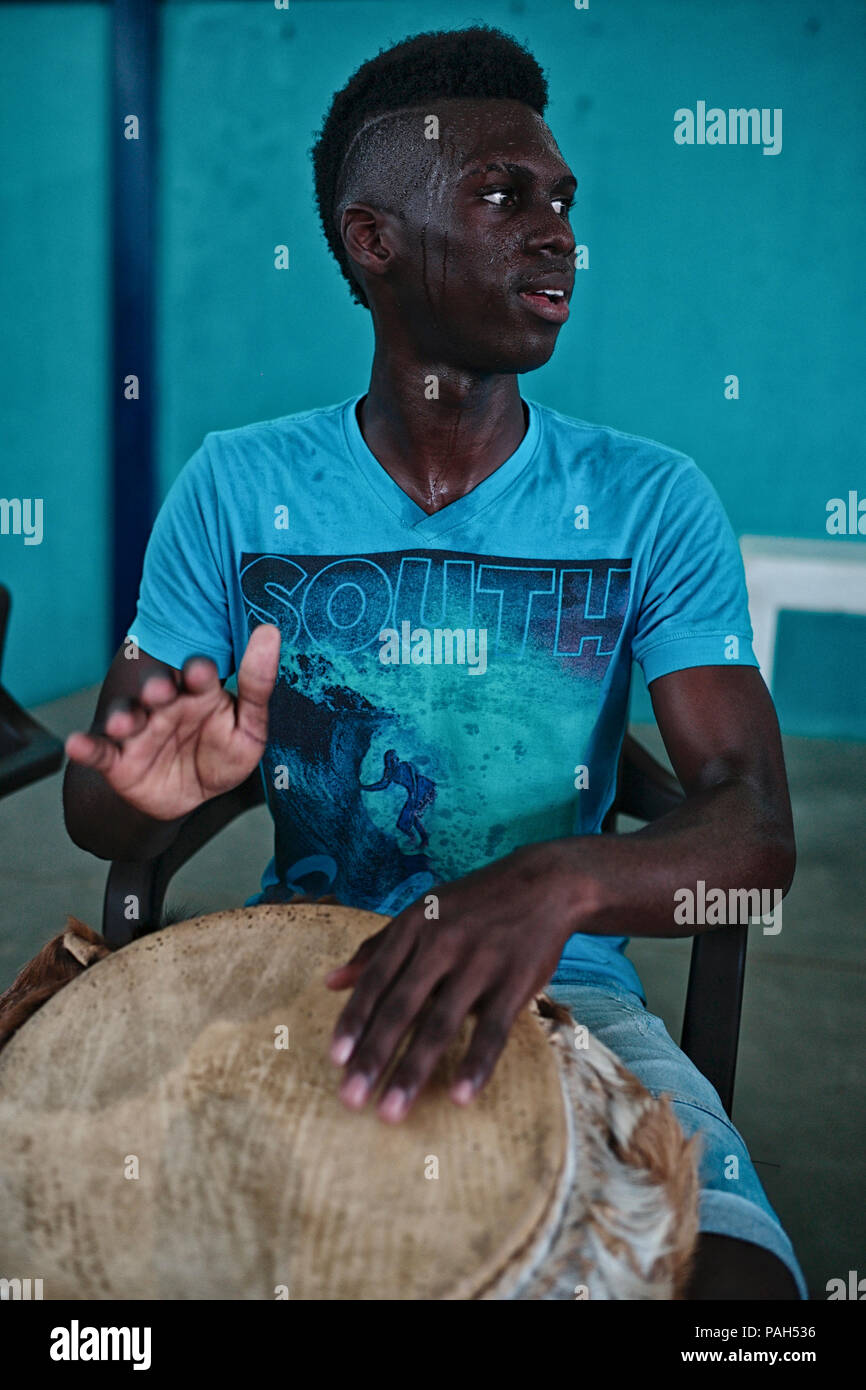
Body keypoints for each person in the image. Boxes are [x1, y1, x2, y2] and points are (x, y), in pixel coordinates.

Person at [63, 25, 806, 1299]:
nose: (556, 229)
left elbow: (750, 830)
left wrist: (558, 882)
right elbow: (96, 808)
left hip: (564, 998)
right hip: (293, 974)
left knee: (742, 1301)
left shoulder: (649, 500)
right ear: (371, 240)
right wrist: (152, 785)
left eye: (562, 199)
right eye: (503, 194)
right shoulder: (238, 486)